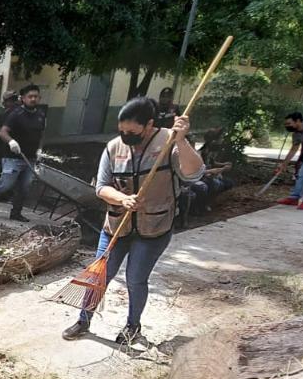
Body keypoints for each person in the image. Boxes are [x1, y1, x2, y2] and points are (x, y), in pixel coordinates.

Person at [62, 97, 204, 345]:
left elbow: (194, 173)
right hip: (117, 225)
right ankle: (83, 320)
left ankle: (132, 327)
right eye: (122, 130)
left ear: (149, 124)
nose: (125, 135)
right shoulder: (113, 147)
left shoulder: (169, 141)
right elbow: (101, 187)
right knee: (99, 276)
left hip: (154, 228)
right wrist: (122, 199)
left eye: (132, 131)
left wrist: (182, 141)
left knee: (136, 279)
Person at [0, 84, 46, 221]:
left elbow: (41, 135)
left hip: (30, 158)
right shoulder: (16, 114)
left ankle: (16, 212)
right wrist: (11, 142)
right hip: (12, 157)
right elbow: (3, 132)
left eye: (36, 96)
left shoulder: (40, 115)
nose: (33, 99)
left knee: (24, 187)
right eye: (30, 96)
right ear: (23, 98)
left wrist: (40, 150)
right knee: (6, 184)